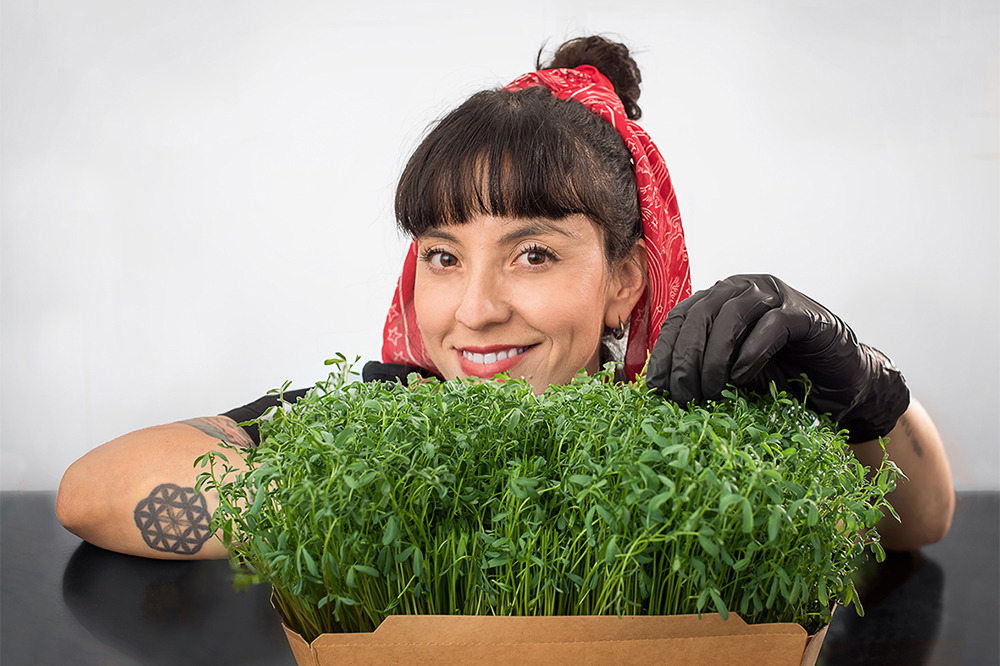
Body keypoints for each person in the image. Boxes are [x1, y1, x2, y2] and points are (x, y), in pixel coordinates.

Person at [56, 36, 954, 560]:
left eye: (531, 253)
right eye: (443, 256)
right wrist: (391, 497)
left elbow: (922, 522)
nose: (473, 309)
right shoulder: (384, 421)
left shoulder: (705, 426)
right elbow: (93, 492)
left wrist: (867, 387)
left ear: (626, 281)